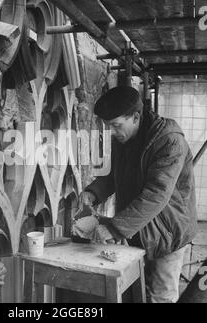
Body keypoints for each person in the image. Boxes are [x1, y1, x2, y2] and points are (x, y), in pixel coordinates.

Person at [82, 86, 198, 303]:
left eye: (116, 125)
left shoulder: (169, 142)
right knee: (135, 290)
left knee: (159, 296)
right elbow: (112, 175)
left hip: (168, 232)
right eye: (109, 127)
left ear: (135, 117)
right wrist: (93, 193)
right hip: (137, 228)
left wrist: (114, 228)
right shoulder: (123, 138)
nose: (113, 132)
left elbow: (155, 194)